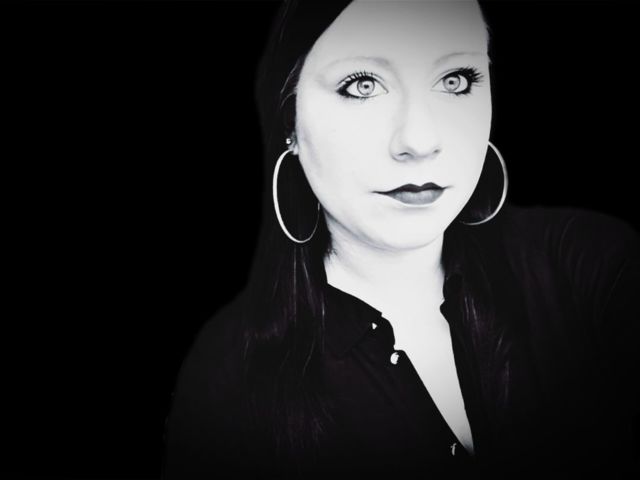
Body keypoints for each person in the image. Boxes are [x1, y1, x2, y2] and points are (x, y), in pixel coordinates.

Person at [162, 0, 640, 478]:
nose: (419, 140)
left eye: (455, 80)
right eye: (363, 85)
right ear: (289, 119)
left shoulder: (593, 266)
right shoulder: (227, 388)